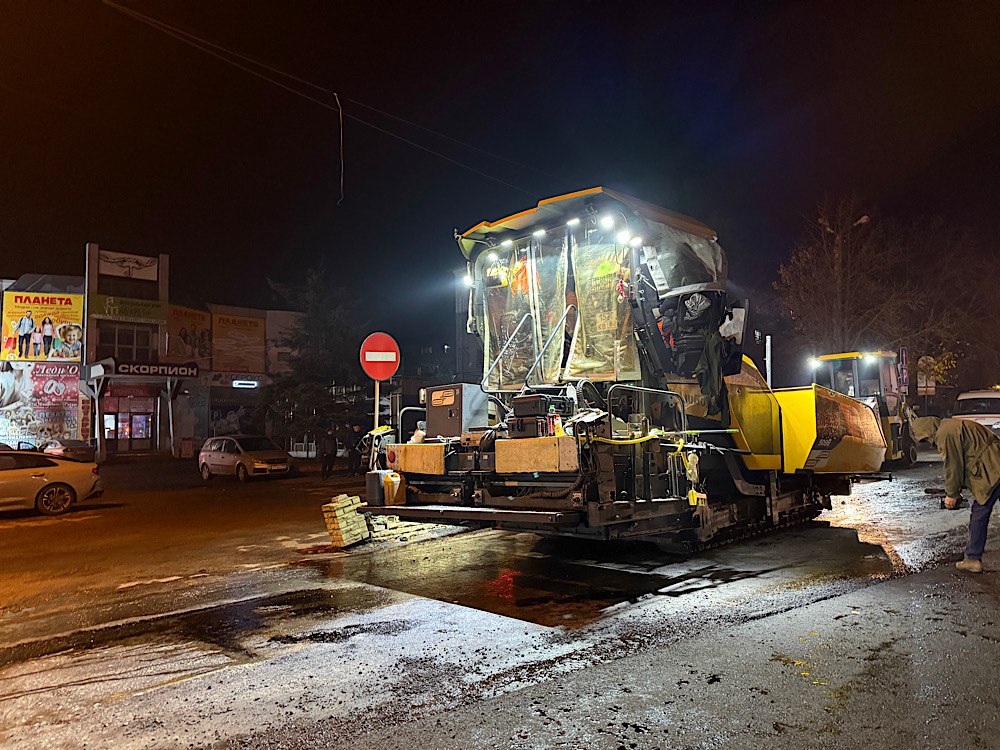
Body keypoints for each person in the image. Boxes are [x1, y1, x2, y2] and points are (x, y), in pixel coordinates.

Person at [911, 416, 1000, 573]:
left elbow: (953, 465)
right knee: (981, 510)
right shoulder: (950, 426)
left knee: (980, 513)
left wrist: (951, 494)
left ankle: (972, 559)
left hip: (992, 469)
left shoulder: (945, 433)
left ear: (928, 431)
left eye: (925, 438)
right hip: (995, 463)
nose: (928, 442)